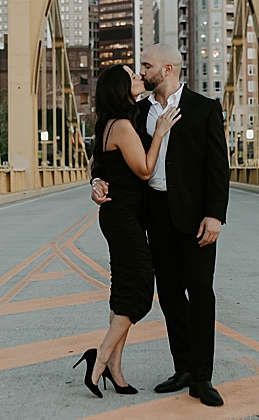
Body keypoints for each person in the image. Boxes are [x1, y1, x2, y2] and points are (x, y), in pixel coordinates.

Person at [92, 44, 232, 407]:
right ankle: (182, 367)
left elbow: (219, 168)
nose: (142, 71)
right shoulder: (136, 113)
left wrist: (216, 215)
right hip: (153, 216)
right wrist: (96, 181)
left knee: (200, 294)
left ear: (167, 69)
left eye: (146, 65)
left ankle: (202, 378)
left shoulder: (204, 109)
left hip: (197, 219)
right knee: (169, 296)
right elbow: (107, 156)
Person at [77, 65, 178, 398]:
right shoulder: (121, 126)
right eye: (133, 76)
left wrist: (95, 181)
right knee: (139, 294)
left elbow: (99, 166)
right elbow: (146, 170)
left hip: (118, 216)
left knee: (122, 290)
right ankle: (100, 358)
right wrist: (161, 131)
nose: (140, 78)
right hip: (122, 218)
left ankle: (116, 370)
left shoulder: (109, 123)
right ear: (122, 88)